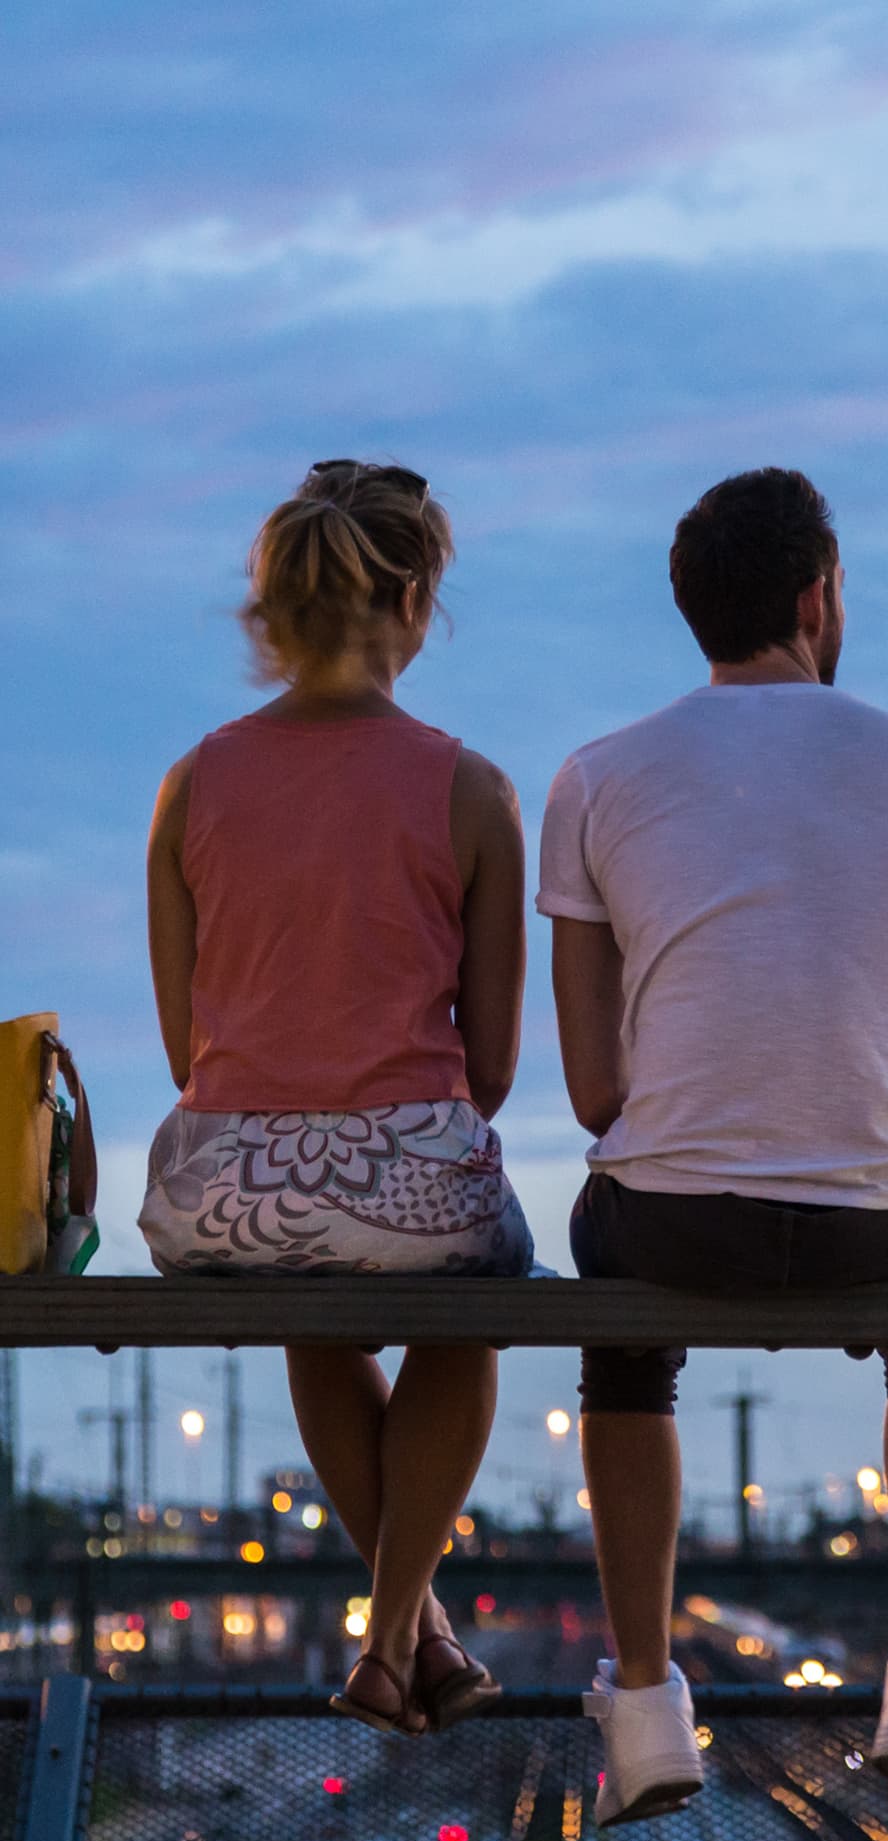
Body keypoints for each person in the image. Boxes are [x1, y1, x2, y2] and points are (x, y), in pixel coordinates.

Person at [538, 466, 888, 1827]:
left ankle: (642, 1703)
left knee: (619, 1308)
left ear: (697, 615)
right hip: (876, 1215)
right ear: (817, 594)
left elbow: (590, 1091)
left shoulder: (593, 778)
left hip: (673, 1219)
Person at [140, 460, 531, 1737]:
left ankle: (409, 1641)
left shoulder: (190, 786)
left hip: (220, 1190)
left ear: (274, 612)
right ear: (415, 603)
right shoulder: (470, 790)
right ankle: (395, 1629)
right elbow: (493, 1074)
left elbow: (184, 1043)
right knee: (471, 1299)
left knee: (311, 1288)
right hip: (406, 1176)